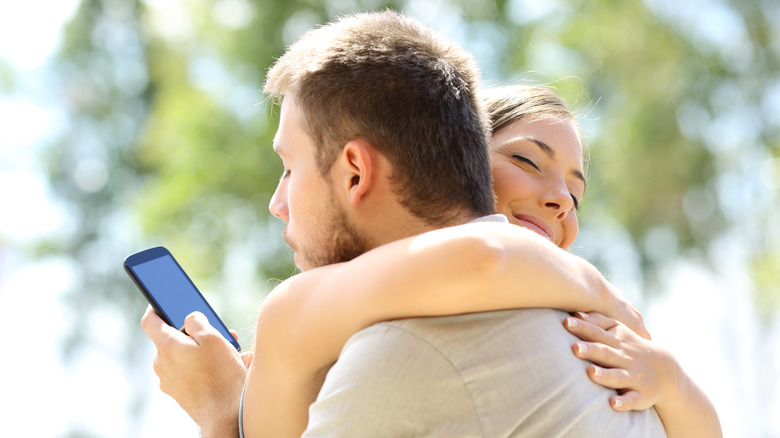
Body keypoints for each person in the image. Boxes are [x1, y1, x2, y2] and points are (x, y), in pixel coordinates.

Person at [140, 10, 716, 438]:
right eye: (524, 161)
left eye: (290, 168)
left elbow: (484, 257)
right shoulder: (583, 336)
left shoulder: (401, 353)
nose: (277, 202)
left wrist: (220, 413)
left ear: (356, 171)